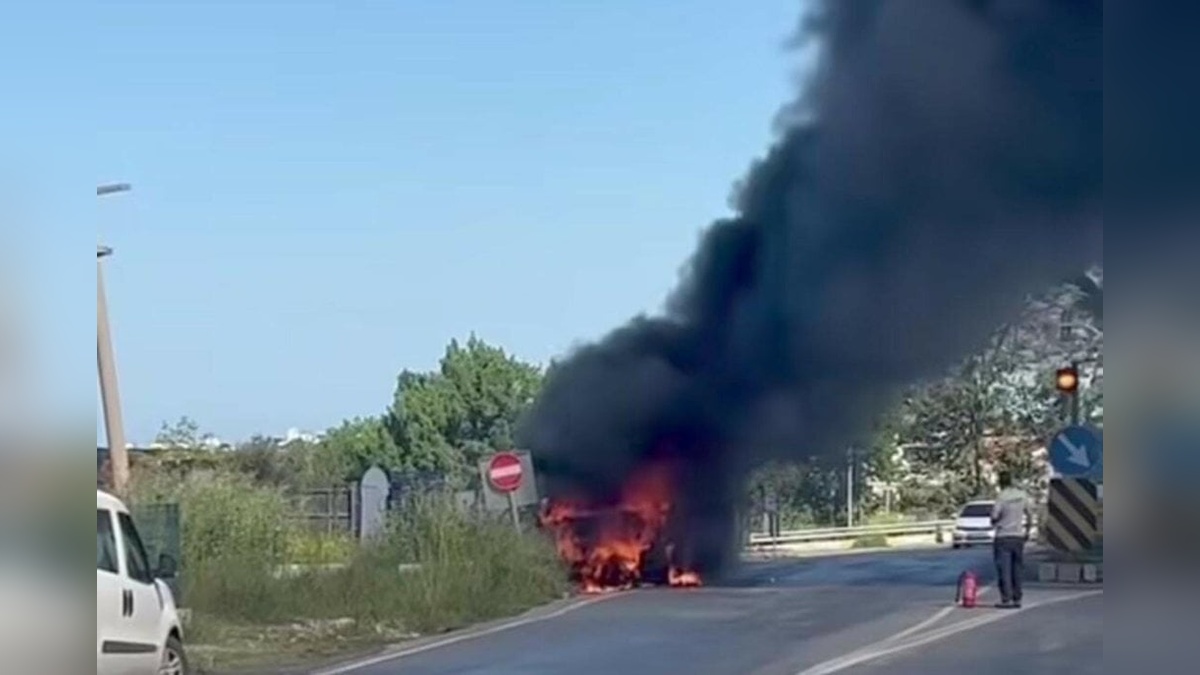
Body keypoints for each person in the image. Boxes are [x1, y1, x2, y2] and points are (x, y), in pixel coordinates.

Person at [991, 470, 1033, 608]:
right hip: (1018, 536)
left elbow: (994, 516)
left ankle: (1006, 599)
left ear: (1001, 482)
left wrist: (995, 521)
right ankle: (1017, 598)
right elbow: (1030, 514)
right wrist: (1027, 530)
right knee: (1017, 569)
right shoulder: (1022, 495)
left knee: (1004, 569)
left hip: (1003, 537)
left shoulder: (1001, 497)